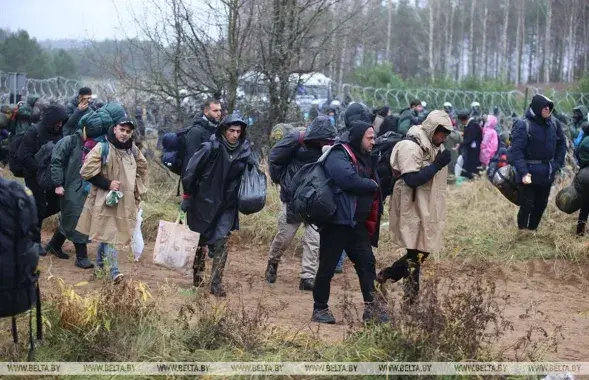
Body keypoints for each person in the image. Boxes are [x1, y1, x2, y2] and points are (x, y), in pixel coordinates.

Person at [311, 120, 387, 324]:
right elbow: (348, 180)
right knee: (327, 267)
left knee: (367, 264)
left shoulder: (366, 158)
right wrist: (371, 184)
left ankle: (373, 310)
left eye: (374, 137)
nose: (373, 141)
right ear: (358, 138)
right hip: (337, 223)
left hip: (356, 223)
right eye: (369, 138)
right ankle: (320, 309)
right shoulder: (338, 154)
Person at [377, 111, 453, 305]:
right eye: (441, 133)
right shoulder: (410, 146)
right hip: (409, 203)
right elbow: (412, 179)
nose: (443, 138)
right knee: (415, 251)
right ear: (431, 129)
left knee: (423, 249)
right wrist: (437, 164)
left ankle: (384, 277)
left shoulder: (433, 144)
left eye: (446, 134)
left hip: (426, 203)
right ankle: (409, 296)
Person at [181, 114, 252, 297]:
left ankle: (216, 283)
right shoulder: (210, 147)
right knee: (200, 241)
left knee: (222, 242)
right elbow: (190, 172)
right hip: (203, 202)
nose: (235, 135)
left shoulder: (244, 152)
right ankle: (197, 276)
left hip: (227, 205)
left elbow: (249, 175)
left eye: (238, 131)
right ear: (223, 130)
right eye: (231, 130)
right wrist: (187, 196)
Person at [266, 116, 336, 290]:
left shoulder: (330, 146)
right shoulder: (297, 138)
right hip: (293, 197)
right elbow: (275, 158)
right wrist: (283, 182)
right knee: (285, 237)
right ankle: (273, 262)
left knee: (314, 239)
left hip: (315, 199)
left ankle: (307, 277)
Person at [76, 120, 148, 282]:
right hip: (105, 199)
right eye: (122, 129)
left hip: (126, 200)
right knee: (111, 233)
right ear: (114, 129)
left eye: (128, 131)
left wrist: (136, 190)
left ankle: (99, 268)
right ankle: (114, 272)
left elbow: (143, 168)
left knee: (107, 234)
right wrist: (107, 184)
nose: (124, 134)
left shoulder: (133, 151)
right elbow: (86, 171)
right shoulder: (102, 148)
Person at [508, 94, 565, 231]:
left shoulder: (554, 124)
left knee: (541, 204)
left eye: (549, 107)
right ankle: (522, 231)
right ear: (537, 107)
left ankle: (532, 230)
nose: (547, 110)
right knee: (527, 204)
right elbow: (517, 151)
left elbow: (561, 145)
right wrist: (523, 172)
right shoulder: (523, 125)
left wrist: (556, 164)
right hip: (528, 173)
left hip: (547, 173)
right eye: (544, 107)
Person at [17, 104, 68, 255]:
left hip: (49, 176)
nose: (59, 124)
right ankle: (34, 242)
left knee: (56, 204)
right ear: (51, 120)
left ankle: (25, 219)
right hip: (33, 175)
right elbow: (23, 155)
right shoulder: (34, 131)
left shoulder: (58, 132)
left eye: (61, 122)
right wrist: (38, 170)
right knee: (38, 206)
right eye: (57, 121)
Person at [48, 127, 95, 269]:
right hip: (69, 186)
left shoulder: (95, 143)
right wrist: (58, 184)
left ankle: (54, 245)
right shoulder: (70, 141)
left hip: (83, 186)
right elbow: (56, 162)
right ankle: (81, 257)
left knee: (70, 217)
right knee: (77, 216)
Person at [182, 99, 222, 176]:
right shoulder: (195, 132)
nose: (219, 113)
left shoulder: (217, 129)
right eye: (215, 111)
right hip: (199, 181)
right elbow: (191, 161)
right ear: (206, 112)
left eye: (220, 110)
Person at [459, 111, 483, 179]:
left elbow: (470, 138)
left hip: (474, 150)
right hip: (471, 149)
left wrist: (461, 144)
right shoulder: (471, 124)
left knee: (472, 165)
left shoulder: (473, 125)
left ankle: (474, 177)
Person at [575, 125, 589, 235]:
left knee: (584, 206)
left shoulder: (584, 138)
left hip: (584, 173)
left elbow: (577, 150)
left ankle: (579, 233)